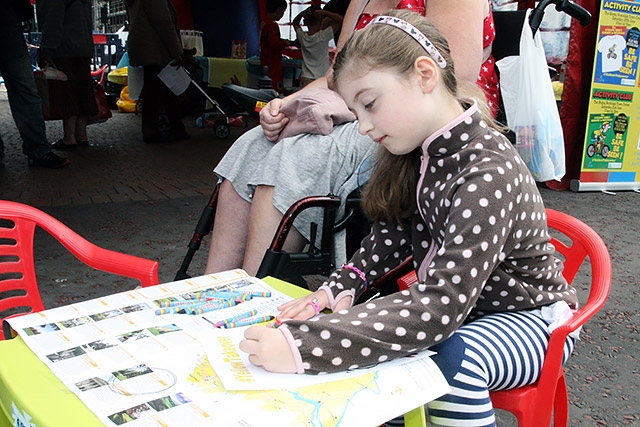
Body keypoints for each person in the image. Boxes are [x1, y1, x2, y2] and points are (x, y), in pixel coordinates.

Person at [238, 10, 579, 427]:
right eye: (355, 111)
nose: (362, 126)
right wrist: (336, 290)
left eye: (369, 104)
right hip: (467, 312)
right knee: (401, 351)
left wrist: (304, 346)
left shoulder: (487, 172)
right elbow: (391, 237)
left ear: (424, 74)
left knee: (452, 359)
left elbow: (438, 307)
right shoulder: (420, 154)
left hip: (532, 321)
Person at [204, 0, 494, 276]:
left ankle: (256, 288)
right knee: (253, 142)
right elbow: (336, 77)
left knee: (295, 154)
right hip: (361, 106)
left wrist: (366, 105)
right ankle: (213, 285)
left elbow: (455, 77)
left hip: (416, 117)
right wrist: (286, 103)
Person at [0, 0, 69, 168]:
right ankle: (39, 150)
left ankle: (38, 150)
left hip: (8, 26)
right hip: (8, 25)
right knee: (26, 92)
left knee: (26, 92)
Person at [126, 0, 191, 143]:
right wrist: (177, 51)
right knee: (157, 92)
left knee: (156, 92)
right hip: (156, 52)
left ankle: (173, 128)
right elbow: (164, 25)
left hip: (148, 51)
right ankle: (159, 131)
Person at [37, 0, 97, 149]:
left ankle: (69, 137)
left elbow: (53, 22)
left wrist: (46, 51)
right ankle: (81, 135)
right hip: (84, 48)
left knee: (68, 92)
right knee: (82, 89)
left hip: (65, 47)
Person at [292, 5, 343, 87]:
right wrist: (324, 12)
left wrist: (302, 13)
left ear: (305, 22)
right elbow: (340, 20)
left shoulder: (302, 37)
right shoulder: (323, 36)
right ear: (321, 21)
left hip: (306, 76)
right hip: (321, 78)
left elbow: (295, 23)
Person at [260, 0, 290, 92]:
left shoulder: (263, 23)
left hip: (264, 61)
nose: (282, 15)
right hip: (273, 63)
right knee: (275, 89)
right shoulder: (272, 25)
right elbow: (274, 43)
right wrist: (284, 43)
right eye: (283, 12)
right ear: (278, 10)